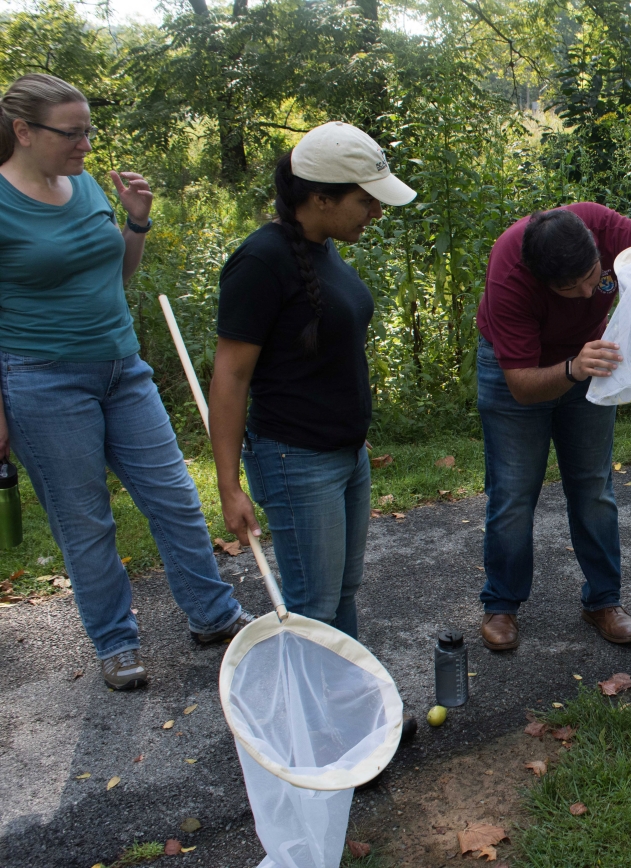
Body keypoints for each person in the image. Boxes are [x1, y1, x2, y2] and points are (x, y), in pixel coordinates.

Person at [0, 73, 251, 690]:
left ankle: (213, 616)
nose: (85, 144)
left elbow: (115, 275)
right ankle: (115, 643)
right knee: (85, 521)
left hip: (122, 367)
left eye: (88, 130)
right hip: (42, 380)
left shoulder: (84, 185)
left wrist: (136, 224)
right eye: (71, 133)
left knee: (175, 498)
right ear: (23, 131)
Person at [209, 122, 415, 639]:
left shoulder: (320, 245)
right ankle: (310, 692)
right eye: (365, 201)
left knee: (342, 592)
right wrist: (229, 486)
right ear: (321, 198)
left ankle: (346, 688)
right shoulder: (261, 260)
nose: (376, 212)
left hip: (346, 453)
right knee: (313, 606)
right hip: (295, 459)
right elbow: (231, 377)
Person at [474, 204, 631, 651]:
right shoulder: (510, 272)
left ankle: (604, 601)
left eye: (592, 277)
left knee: (593, 485)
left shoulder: (604, 226)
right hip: (517, 369)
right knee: (514, 492)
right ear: (539, 279)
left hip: (589, 358)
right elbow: (521, 386)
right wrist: (573, 369)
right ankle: (501, 604)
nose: (586, 293)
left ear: (596, 247)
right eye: (567, 288)